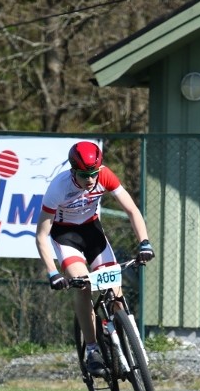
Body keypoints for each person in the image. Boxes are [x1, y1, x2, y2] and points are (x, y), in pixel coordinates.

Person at [35, 141, 155, 377]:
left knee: (115, 291)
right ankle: (92, 350)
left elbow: (132, 210)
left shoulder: (105, 175)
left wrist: (144, 242)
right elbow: (41, 235)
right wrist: (53, 272)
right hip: (66, 236)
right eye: (83, 175)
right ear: (73, 171)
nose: (90, 179)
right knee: (83, 286)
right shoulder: (58, 188)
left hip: (92, 231)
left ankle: (122, 336)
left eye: (94, 173)